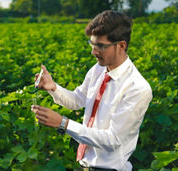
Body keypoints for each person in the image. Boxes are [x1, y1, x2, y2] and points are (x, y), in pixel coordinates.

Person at [31, 10, 152, 171]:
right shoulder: (98, 70)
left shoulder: (137, 88)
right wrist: (53, 87)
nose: (93, 52)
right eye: (92, 44)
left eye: (100, 46)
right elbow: (77, 100)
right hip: (84, 166)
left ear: (121, 46)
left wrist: (63, 124)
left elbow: (113, 140)